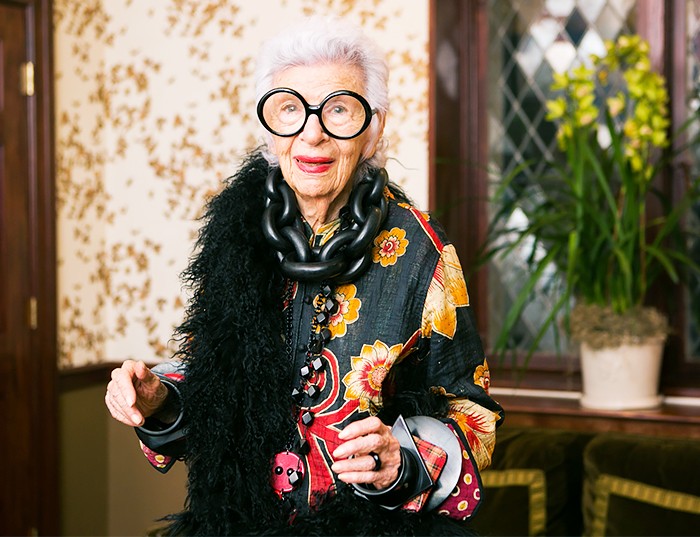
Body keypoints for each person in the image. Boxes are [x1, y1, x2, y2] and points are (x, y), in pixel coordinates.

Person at [105, 16, 504, 536]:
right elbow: (217, 394)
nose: (312, 133)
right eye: (291, 109)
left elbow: (475, 417)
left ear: (373, 129)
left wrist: (403, 461)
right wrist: (159, 399)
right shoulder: (235, 237)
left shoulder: (422, 252)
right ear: (270, 131)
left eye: (338, 108)